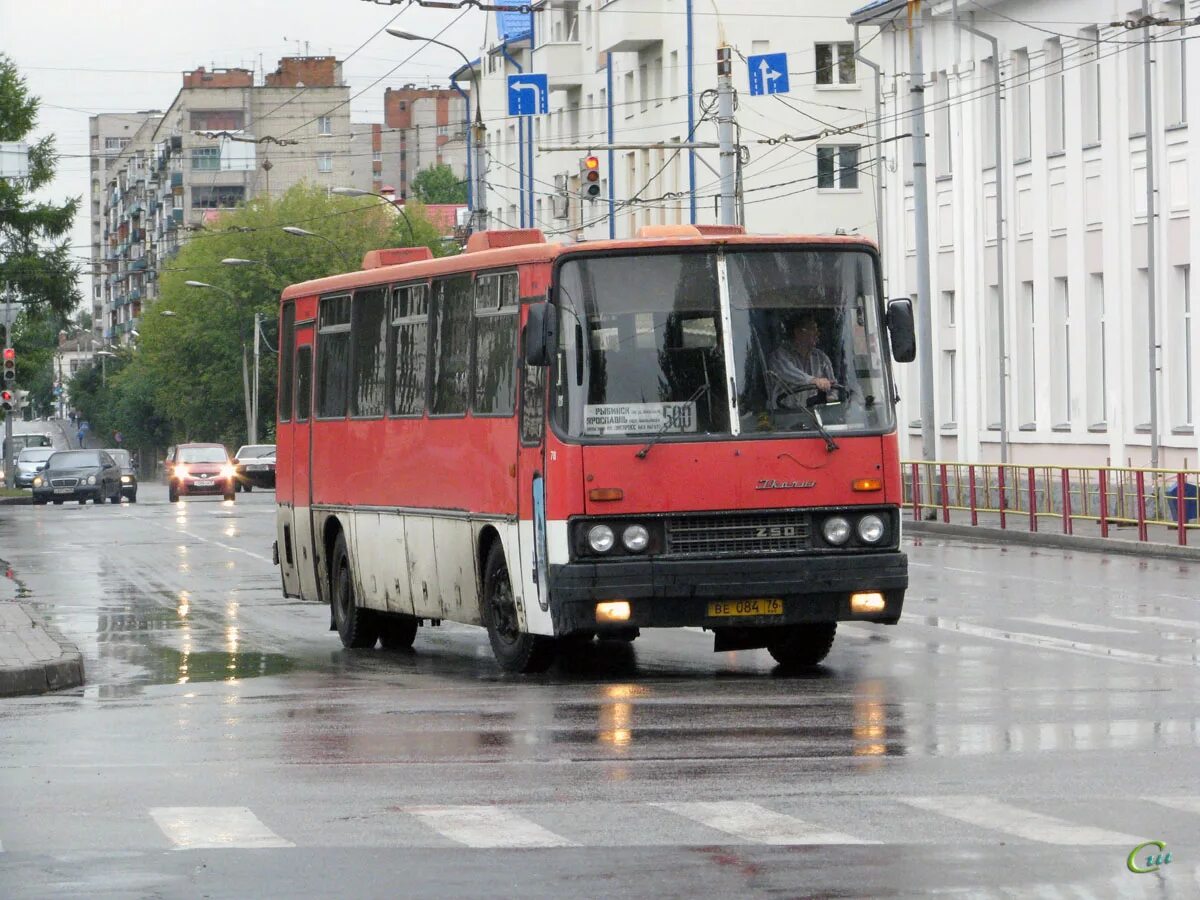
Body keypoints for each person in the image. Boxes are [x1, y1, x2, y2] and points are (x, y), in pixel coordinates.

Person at [768, 315, 837, 408]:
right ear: (798, 332)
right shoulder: (779, 356)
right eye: (812, 329)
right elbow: (787, 372)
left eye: (817, 330)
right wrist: (813, 381)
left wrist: (831, 398)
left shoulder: (821, 358)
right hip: (784, 416)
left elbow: (833, 387)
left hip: (816, 416)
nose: (817, 334)